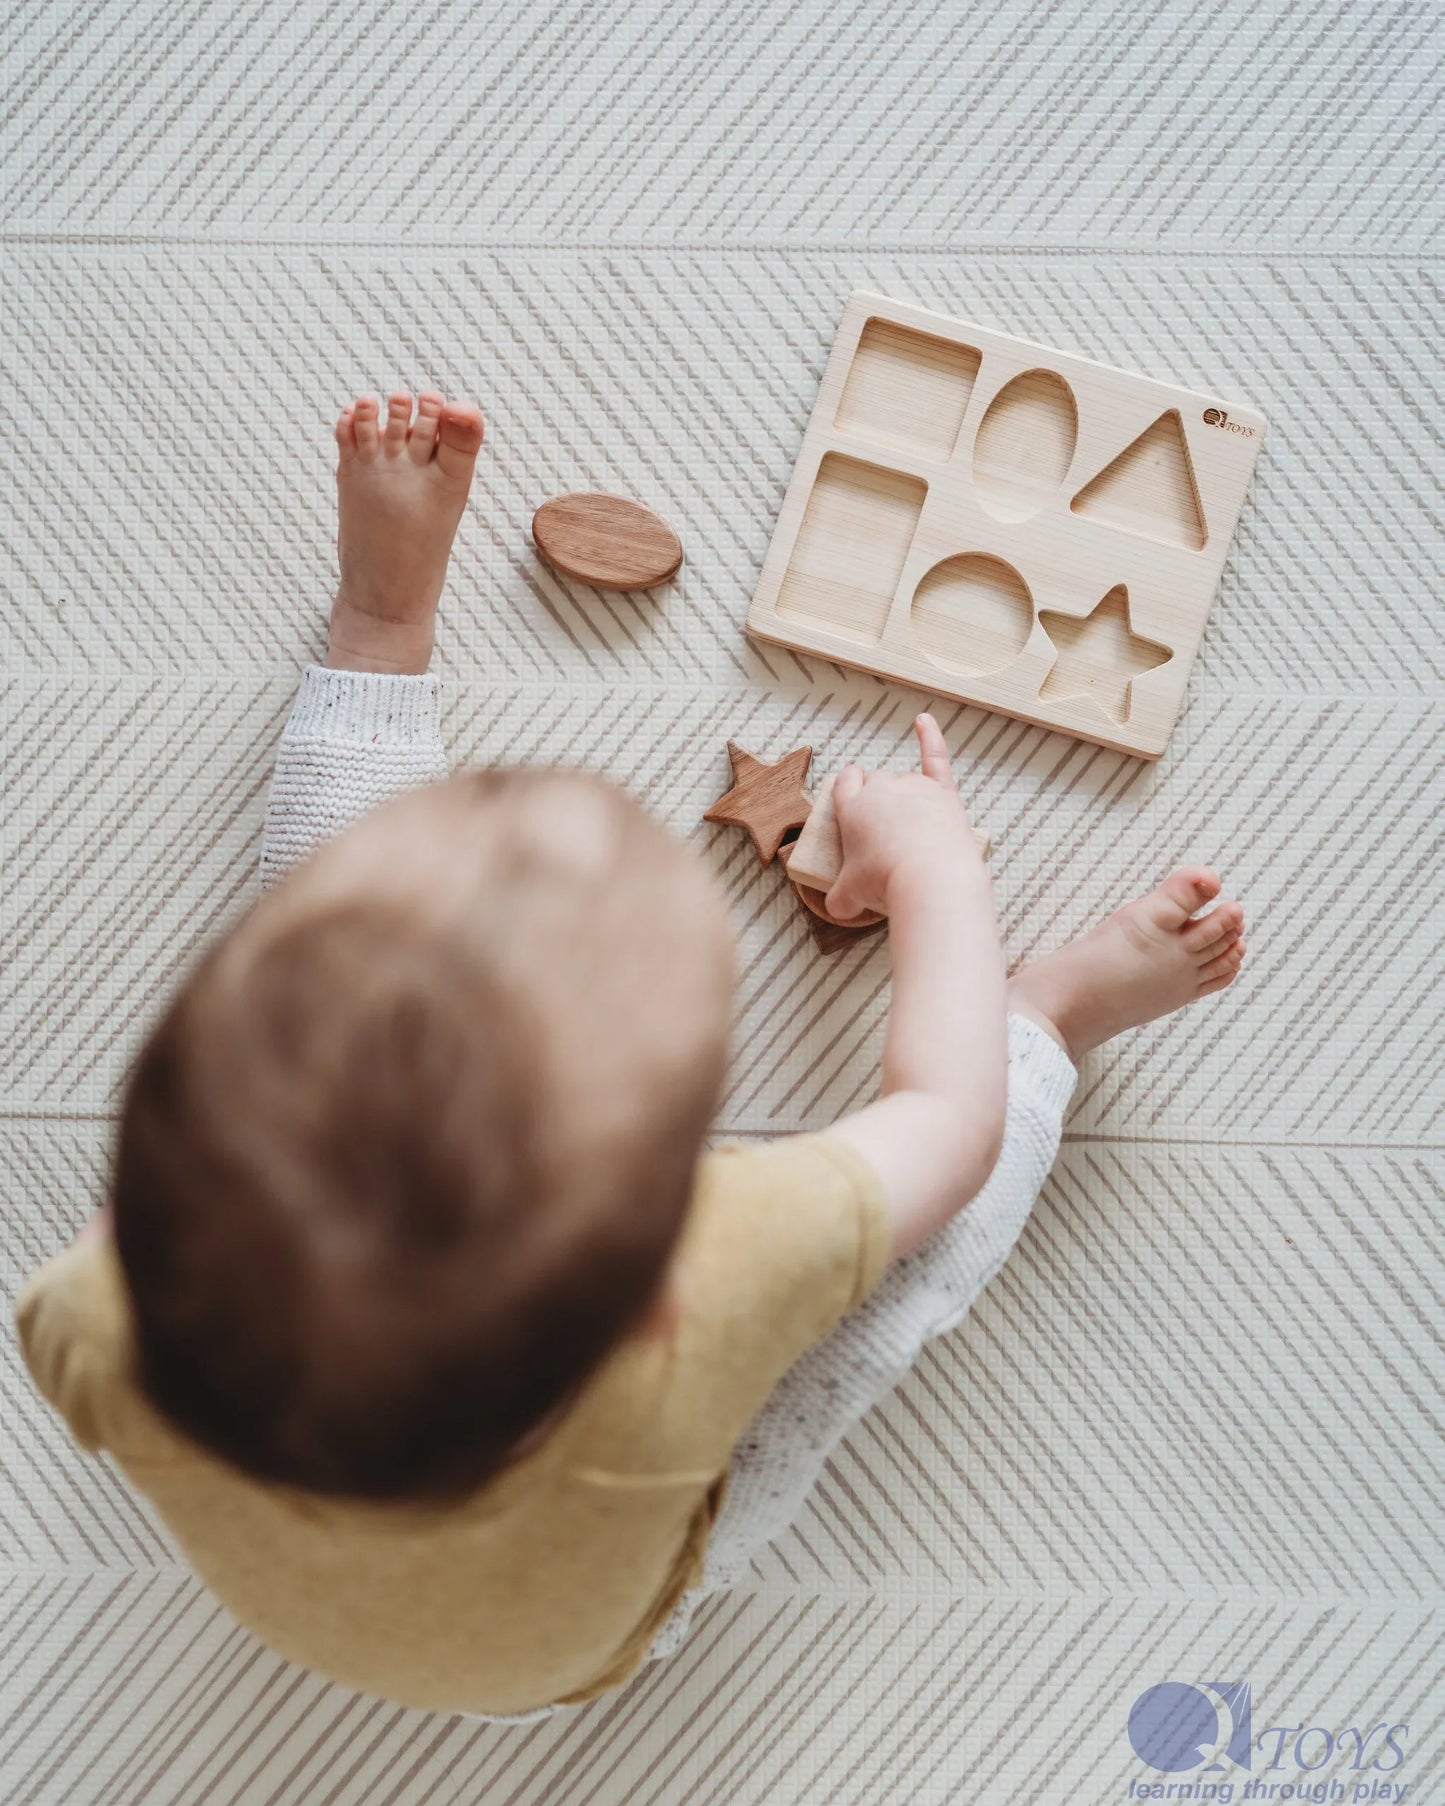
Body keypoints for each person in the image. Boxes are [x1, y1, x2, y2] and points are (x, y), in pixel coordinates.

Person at [17, 391, 1247, 1719]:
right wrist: (943, 877)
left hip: (304, 1580)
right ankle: (1057, 1015)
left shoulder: (99, 1309)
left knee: (331, 984)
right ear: (666, 1198)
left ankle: (379, 634)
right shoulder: (716, 1268)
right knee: (885, 1302)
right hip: (584, 1630)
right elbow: (945, 1124)